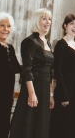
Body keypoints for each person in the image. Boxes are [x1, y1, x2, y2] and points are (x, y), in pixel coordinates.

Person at [9, 8, 54, 138]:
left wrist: (51, 94)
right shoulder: (29, 41)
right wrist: (31, 93)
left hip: (45, 90)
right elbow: (27, 69)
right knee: (28, 125)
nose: (48, 22)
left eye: (49, 19)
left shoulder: (48, 43)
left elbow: (50, 71)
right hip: (33, 88)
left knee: (42, 126)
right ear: (36, 20)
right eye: (44, 18)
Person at [50, 14, 75, 138]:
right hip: (64, 92)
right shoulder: (61, 44)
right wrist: (64, 95)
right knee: (62, 127)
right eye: (71, 23)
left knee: (72, 127)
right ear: (65, 26)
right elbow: (58, 71)